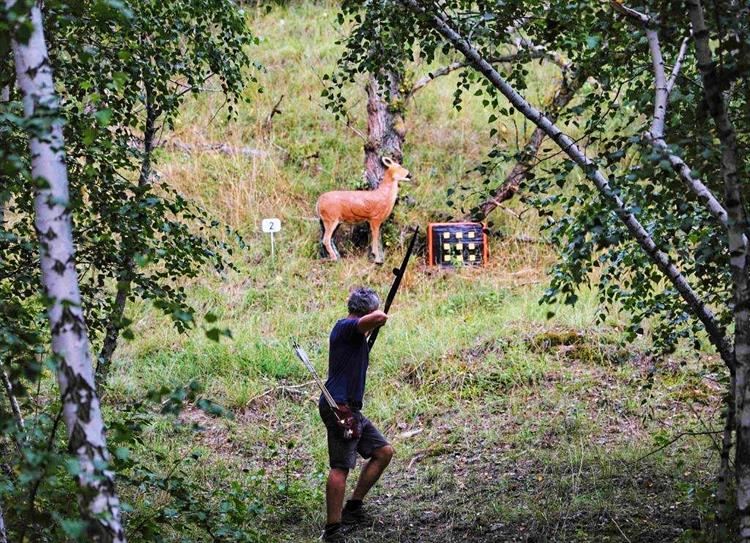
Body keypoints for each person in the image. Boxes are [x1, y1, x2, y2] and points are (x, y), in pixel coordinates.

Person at [319, 287, 395, 542]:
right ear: (365, 311)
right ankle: (332, 530)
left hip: (351, 408)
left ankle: (353, 507)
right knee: (340, 467)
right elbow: (377, 319)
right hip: (338, 406)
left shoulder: (355, 335)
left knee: (383, 452)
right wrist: (378, 315)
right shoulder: (346, 327)